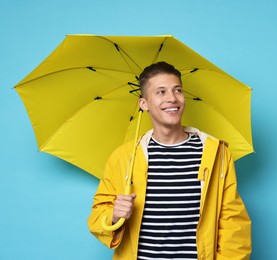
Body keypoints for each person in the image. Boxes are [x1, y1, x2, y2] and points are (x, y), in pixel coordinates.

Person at [88, 61, 251, 259]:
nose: (172, 98)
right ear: (144, 103)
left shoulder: (216, 153)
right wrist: (113, 214)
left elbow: (233, 224)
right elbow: (97, 217)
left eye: (177, 90)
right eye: (161, 92)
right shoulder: (124, 157)